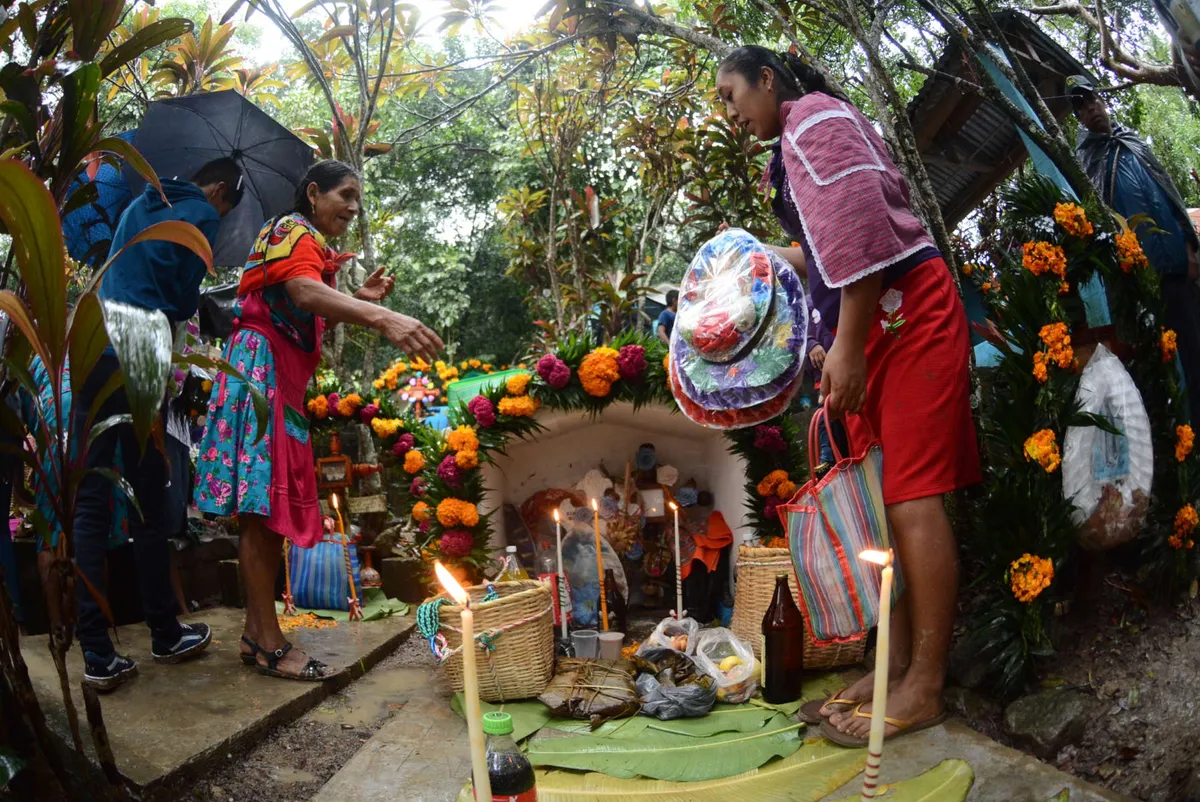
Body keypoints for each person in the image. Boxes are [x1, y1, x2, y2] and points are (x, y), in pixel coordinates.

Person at [715, 46, 980, 745]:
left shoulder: (815, 121)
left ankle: (925, 681)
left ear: (767, 81)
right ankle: (891, 666)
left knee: (910, 497)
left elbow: (864, 234)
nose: (730, 112)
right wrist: (760, 255)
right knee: (874, 497)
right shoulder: (799, 137)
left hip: (906, 318)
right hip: (873, 324)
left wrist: (849, 344)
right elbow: (829, 251)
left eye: (731, 94)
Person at [194, 160, 442, 681]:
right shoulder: (289, 229)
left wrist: (360, 300)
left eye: (358, 199)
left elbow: (302, 309)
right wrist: (384, 317)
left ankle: (255, 634)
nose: (353, 207)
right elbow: (303, 295)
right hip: (260, 373)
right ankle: (266, 642)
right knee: (260, 513)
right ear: (312, 191)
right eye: (345, 195)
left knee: (264, 510)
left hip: (278, 378)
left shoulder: (307, 243)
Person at [73, 158, 244, 691]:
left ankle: (96, 654)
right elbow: (177, 299)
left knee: (92, 496)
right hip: (140, 343)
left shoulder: (139, 202)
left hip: (93, 338)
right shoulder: (200, 214)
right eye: (226, 205)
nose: (220, 216)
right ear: (219, 189)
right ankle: (164, 633)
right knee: (149, 492)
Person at [1070, 75, 1200, 425]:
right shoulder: (1088, 162)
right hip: (1145, 281)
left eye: (1093, 98)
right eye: (1081, 105)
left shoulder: (1132, 144)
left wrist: (1190, 248)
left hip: (1179, 266)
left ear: (1102, 99)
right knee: (1172, 366)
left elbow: (1169, 194)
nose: (1091, 107)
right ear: (1078, 116)